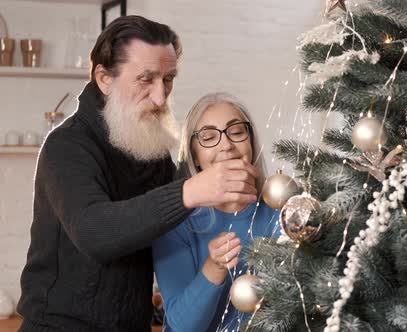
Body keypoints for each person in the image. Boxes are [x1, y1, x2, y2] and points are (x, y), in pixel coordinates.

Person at [17, 16, 258, 331]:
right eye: (147, 79)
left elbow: (188, 220)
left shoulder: (150, 148)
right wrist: (191, 190)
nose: (161, 98)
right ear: (104, 78)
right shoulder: (66, 146)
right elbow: (94, 233)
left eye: (168, 79)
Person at [152, 93, 281, 332]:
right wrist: (214, 268)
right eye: (209, 137)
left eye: (237, 132)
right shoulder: (175, 224)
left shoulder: (282, 213)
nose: (226, 145)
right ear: (195, 157)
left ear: (250, 143)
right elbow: (182, 327)